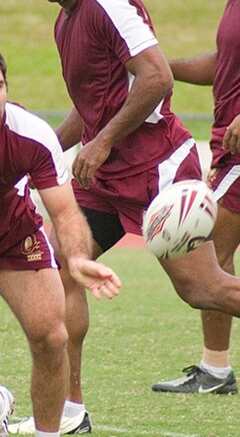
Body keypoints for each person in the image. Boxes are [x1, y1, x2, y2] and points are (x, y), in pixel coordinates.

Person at [11, 0, 240, 433]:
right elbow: (89, 105)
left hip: (156, 169)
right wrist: (44, 152)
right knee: (62, 265)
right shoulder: (65, 21)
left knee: (203, 288)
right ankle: (69, 412)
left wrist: (104, 140)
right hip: (109, 178)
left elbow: (156, 75)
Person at [0, 52, 121, 437]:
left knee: (52, 336)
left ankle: (48, 434)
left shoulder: (30, 135)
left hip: (12, 236)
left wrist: (77, 258)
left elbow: (66, 213)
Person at [151, 0, 240, 395]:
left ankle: (216, 370)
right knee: (216, 263)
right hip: (228, 153)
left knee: (209, 265)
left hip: (238, 156)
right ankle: (216, 369)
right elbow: (221, 65)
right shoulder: (235, 4)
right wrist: (163, 67)